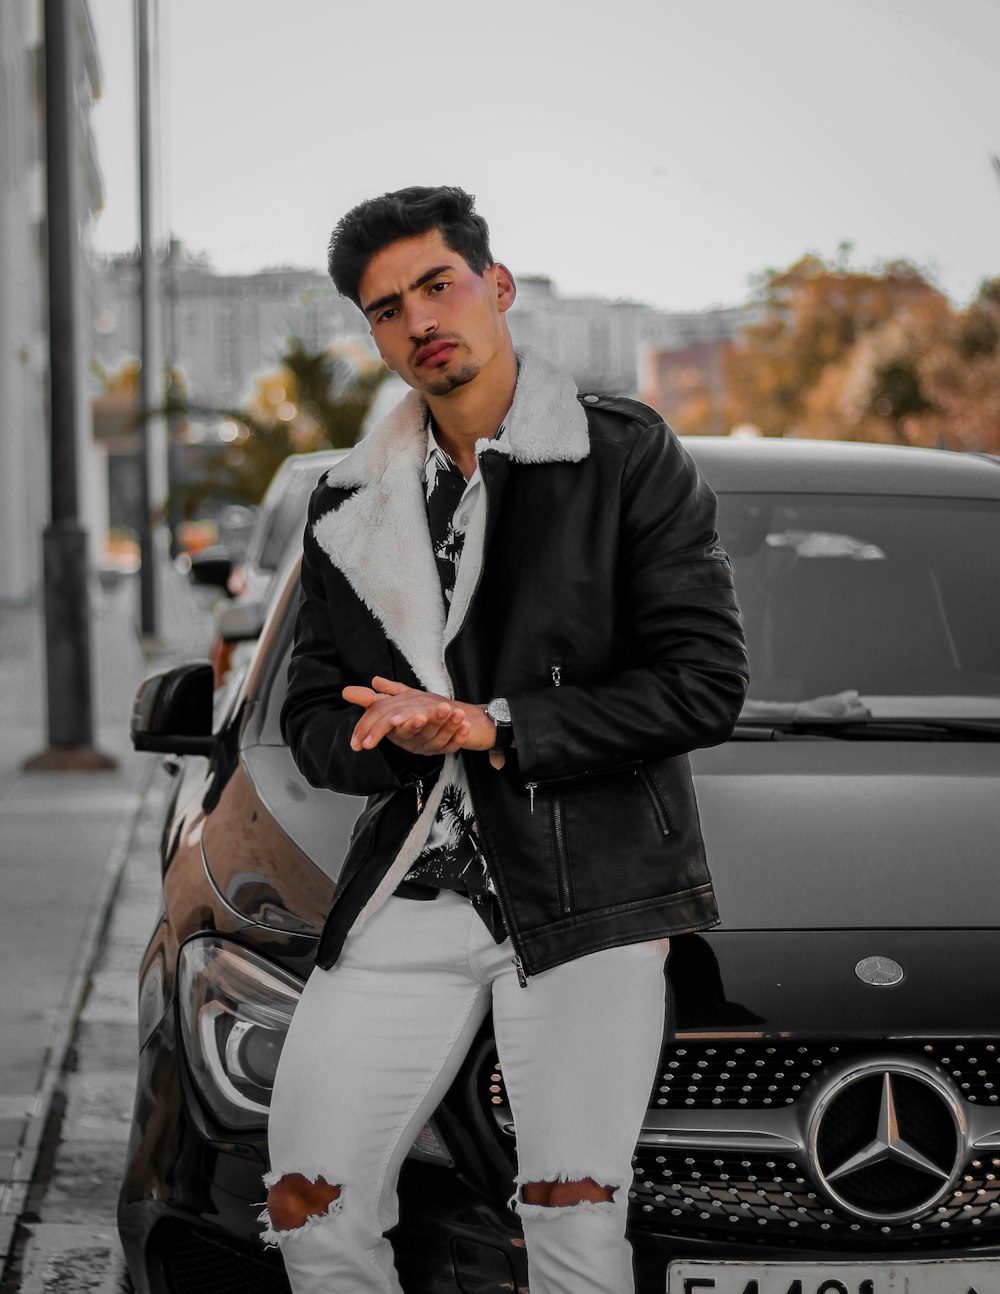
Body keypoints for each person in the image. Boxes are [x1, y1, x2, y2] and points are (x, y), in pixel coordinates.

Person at [263, 185, 748, 1294]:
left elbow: (703, 684)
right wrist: (396, 739)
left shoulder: (621, 456)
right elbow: (307, 718)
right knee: (307, 1200)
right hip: (408, 890)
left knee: (572, 1218)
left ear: (497, 286)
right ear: (374, 334)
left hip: (588, 889)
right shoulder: (348, 503)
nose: (420, 318)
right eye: (387, 308)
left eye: (438, 284)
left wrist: (494, 724)